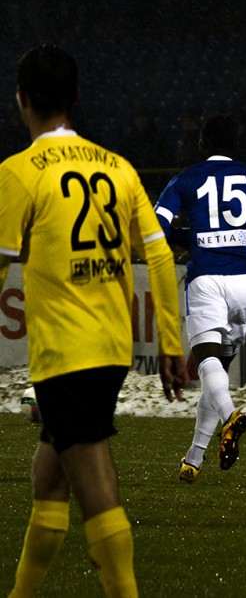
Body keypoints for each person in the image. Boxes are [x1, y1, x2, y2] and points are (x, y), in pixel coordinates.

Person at [1, 44, 186, 597]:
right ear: (76, 97)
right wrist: (170, 341)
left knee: (95, 487)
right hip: (110, 348)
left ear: (21, 99)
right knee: (49, 478)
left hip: (65, 353)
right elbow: (159, 255)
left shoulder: (18, 172)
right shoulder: (118, 168)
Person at [154, 113, 246, 483]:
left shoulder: (185, 178)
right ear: (236, 144)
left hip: (207, 279)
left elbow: (157, 225)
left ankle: (231, 416)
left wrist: (188, 240)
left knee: (206, 363)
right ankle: (194, 458)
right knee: (217, 371)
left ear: (202, 143)